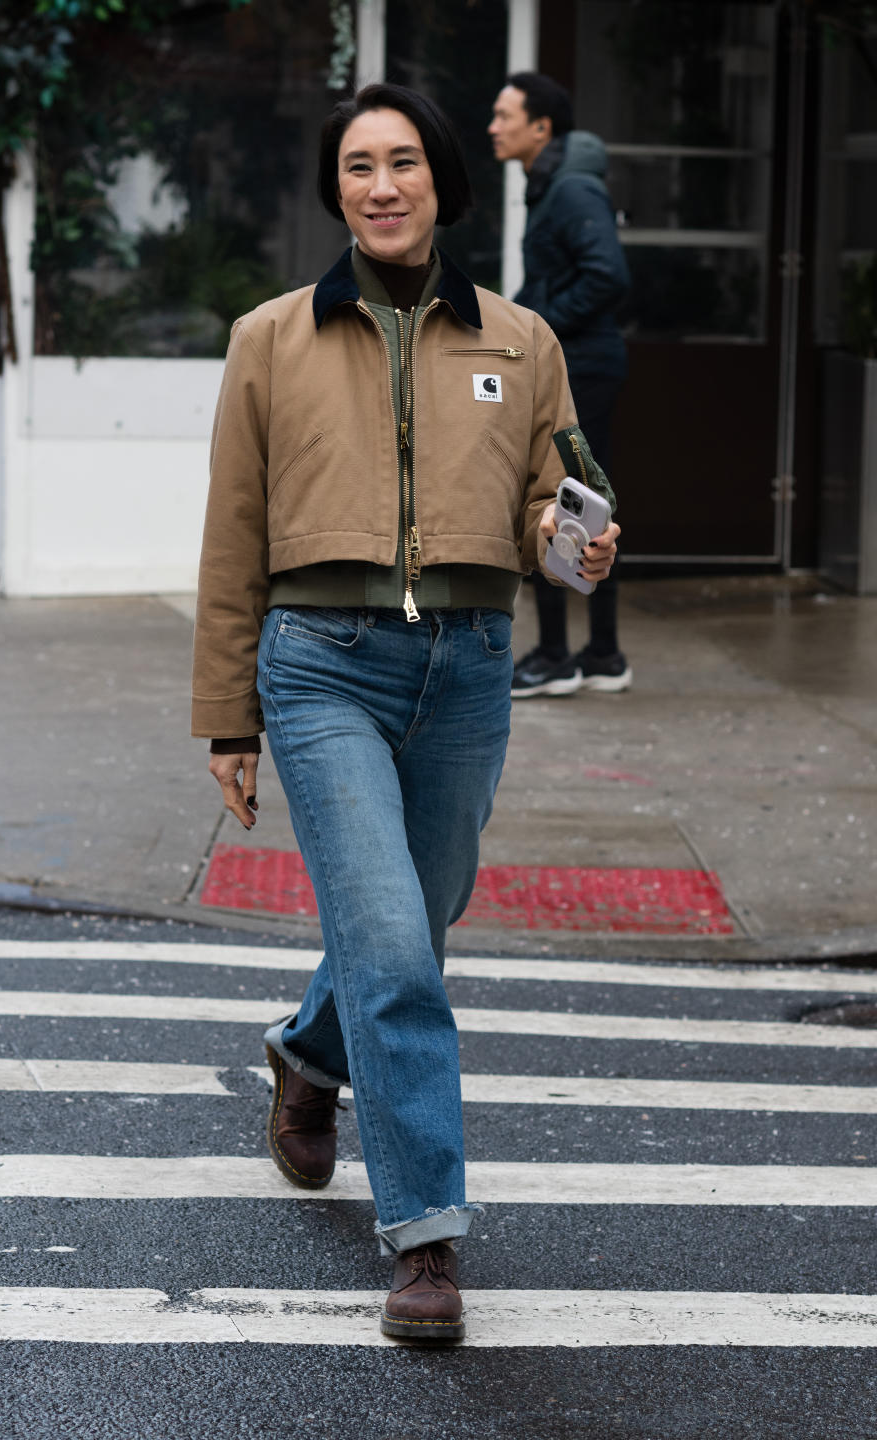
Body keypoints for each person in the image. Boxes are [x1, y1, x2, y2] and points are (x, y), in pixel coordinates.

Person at [192, 83, 619, 1343]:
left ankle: (306, 1057)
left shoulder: (521, 341)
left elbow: (560, 496)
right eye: (359, 166)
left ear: (442, 179)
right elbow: (231, 540)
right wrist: (229, 713)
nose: (383, 185)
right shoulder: (269, 339)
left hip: (470, 667)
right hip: (320, 665)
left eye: (406, 163)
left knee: (413, 929)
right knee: (391, 948)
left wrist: (572, 545)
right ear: (337, 189)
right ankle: (426, 1234)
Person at [489, 71, 632, 697]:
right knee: (585, 497)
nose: (493, 127)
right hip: (577, 361)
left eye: (505, 115)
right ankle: (599, 654)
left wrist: (541, 331)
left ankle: (558, 655)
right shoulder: (548, 185)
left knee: (561, 495)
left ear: (541, 126)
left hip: (585, 367)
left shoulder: (570, 189)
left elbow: (609, 277)